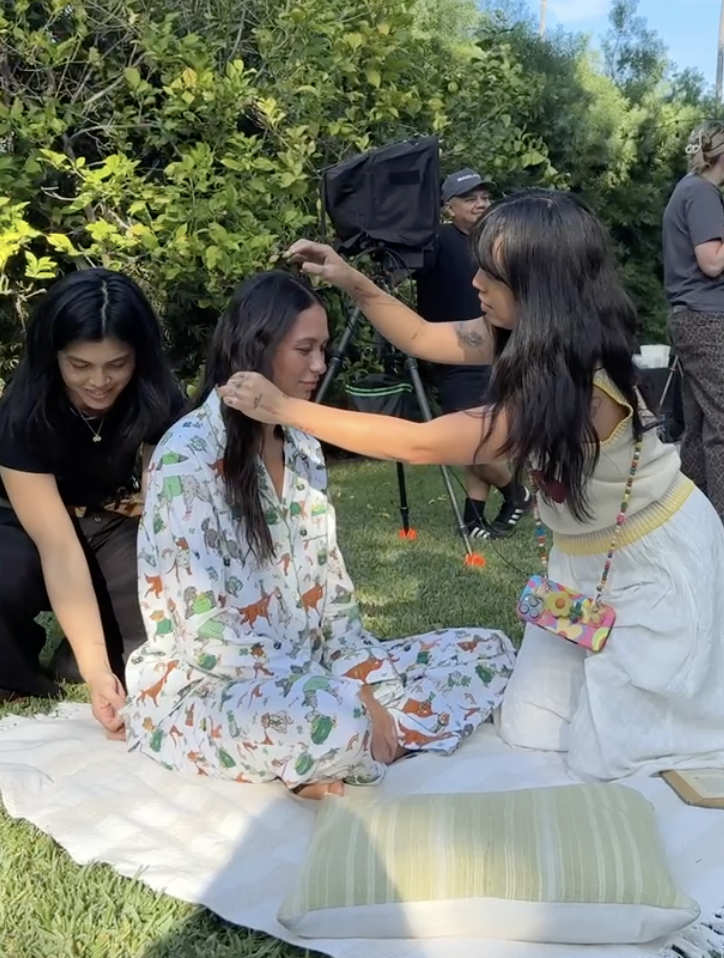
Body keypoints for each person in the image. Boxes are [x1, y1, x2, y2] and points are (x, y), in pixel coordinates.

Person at [223, 191, 724, 781]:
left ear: (541, 288)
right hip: (582, 569)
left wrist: (287, 408)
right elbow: (419, 337)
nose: (477, 280)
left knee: (610, 755)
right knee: (529, 728)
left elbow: (421, 443)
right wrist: (351, 278)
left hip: (651, 564)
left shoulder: (574, 388)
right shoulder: (520, 336)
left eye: (494, 272)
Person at [123, 271, 516, 799]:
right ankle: (355, 739)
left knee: (489, 650)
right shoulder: (186, 458)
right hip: (218, 686)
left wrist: (361, 678)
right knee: (334, 715)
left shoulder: (302, 442)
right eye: (304, 349)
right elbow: (208, 639)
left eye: (324, 348)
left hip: (321, 668)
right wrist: (347, 696)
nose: (319, 365)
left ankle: (372, 740)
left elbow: (330, 593)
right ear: (255, 348)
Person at [0, 267, 184, 734]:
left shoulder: (159, 398)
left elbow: (167, 520)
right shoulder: (23, 413)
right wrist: (98, 672)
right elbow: (57, 546)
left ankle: (77, 654)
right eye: (80, 365)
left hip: (111, 522)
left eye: (116, 364)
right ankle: (17, 667)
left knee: (157, 630)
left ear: (138, 357)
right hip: (22, 526)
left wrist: (96, 667)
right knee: (6, 575)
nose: (99, 382)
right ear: (54, 355)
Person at [416, 168, 530, 538]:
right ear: (449, 207)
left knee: (473, 439)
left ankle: (515, 494)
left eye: (485, 197)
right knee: (474, 435)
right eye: (470, 198)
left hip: (489, 351)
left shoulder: (498, 243)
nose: (481, 204)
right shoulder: (436, 241)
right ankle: (474, 517)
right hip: (448, 351)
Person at [663, 121, 724, 524]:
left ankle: (691, 519)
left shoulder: (686, 189)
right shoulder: (703, 193)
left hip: (690, 318)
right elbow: (712, 260)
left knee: (702, 425)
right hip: (709, 320)